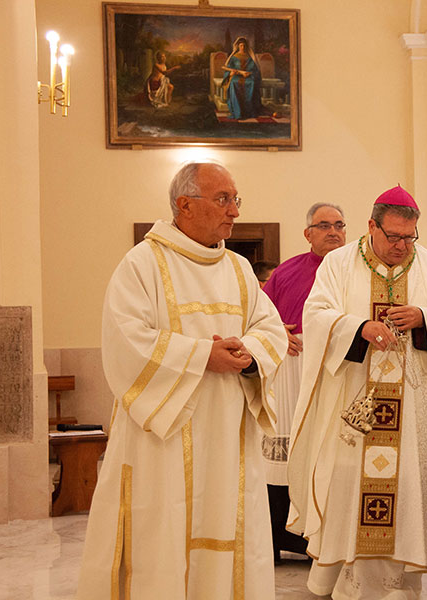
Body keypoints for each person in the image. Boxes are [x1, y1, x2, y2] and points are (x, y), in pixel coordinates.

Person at [77, 161, 288, 599]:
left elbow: (269, 328)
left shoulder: (239, 269)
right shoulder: (142, 264)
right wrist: (202, 355)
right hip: (165, 435)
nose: (234, 211)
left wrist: (248, 357)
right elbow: (126, 341)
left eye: (236, 200)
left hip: (229, 431)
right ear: (184, 205)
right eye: (223, 199)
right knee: (164, 533)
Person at [287, 186, 427, 599]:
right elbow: (315, 316)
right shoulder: (338, 263)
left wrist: (426, 317)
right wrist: (359, 327)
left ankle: (397, 588)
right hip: (352, 406)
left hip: (411, 412)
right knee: (347, 489)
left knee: (404, 493)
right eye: (393, 237)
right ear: (372, 226)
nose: (402, 247)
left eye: (410, 237)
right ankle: (342, 582)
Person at [261, 202, 347, 562]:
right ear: (307, 233)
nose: (333, 231)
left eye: (339, 224)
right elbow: (259, 318)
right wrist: (278, 330)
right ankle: (279, 536)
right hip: (290, 376)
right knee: (283, 457)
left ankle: (327, 539)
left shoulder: (356, 270)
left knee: (329, 457)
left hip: (337, 375)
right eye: (323, 225)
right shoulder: (286, 272)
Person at [222, 36, 266, 120]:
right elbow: (227, 68)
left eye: (244, 45)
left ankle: (248, 111)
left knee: (251, 83)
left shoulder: (250, 57)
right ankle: (238, 112)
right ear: (238, 46)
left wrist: (249, 73)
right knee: (233, 83)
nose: (243, 47)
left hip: (248, 76)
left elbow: (256, 70)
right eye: (241, 45)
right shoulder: (234, 57)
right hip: (236, 76)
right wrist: (231, 73)